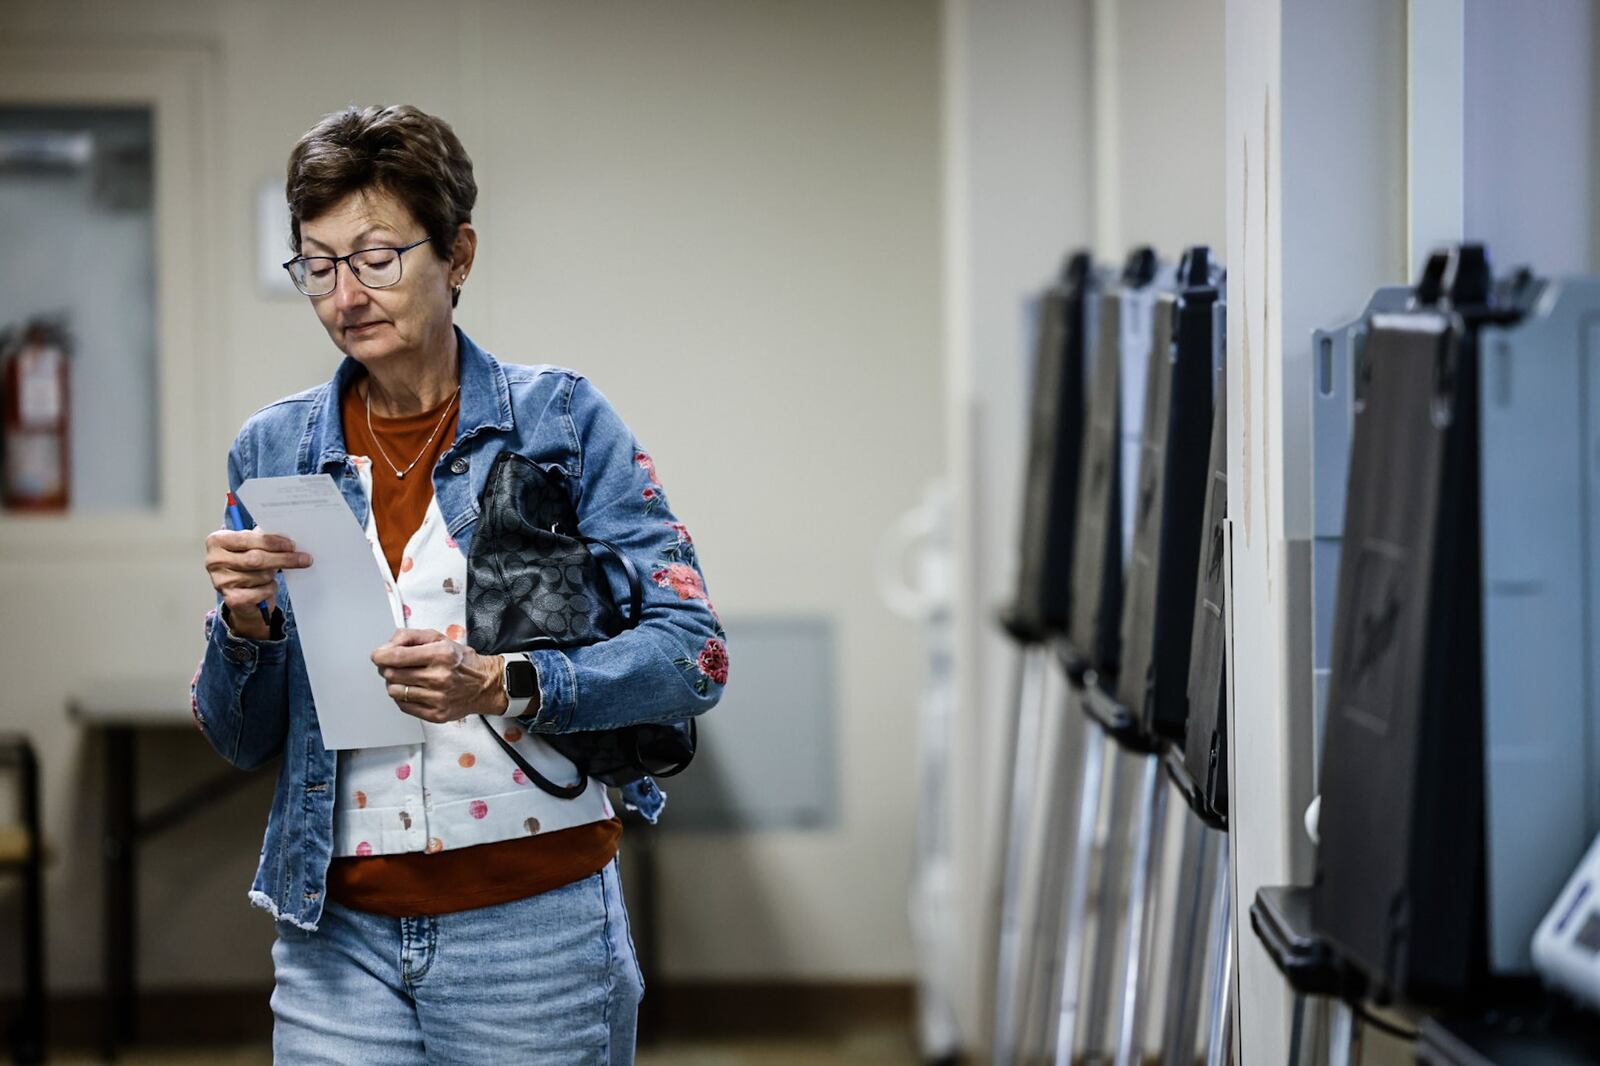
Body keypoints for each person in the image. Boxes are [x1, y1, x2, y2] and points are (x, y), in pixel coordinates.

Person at [190, 104, 727, 1065]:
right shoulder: (274, 449)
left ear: (459, 253)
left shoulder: (559, 422)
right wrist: (247, 623)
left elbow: (694, 655)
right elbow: (241, 739)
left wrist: (510, 681)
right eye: (318, 265)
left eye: (377, 257)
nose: (346, 294)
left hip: (536, 931)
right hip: (335, 940)